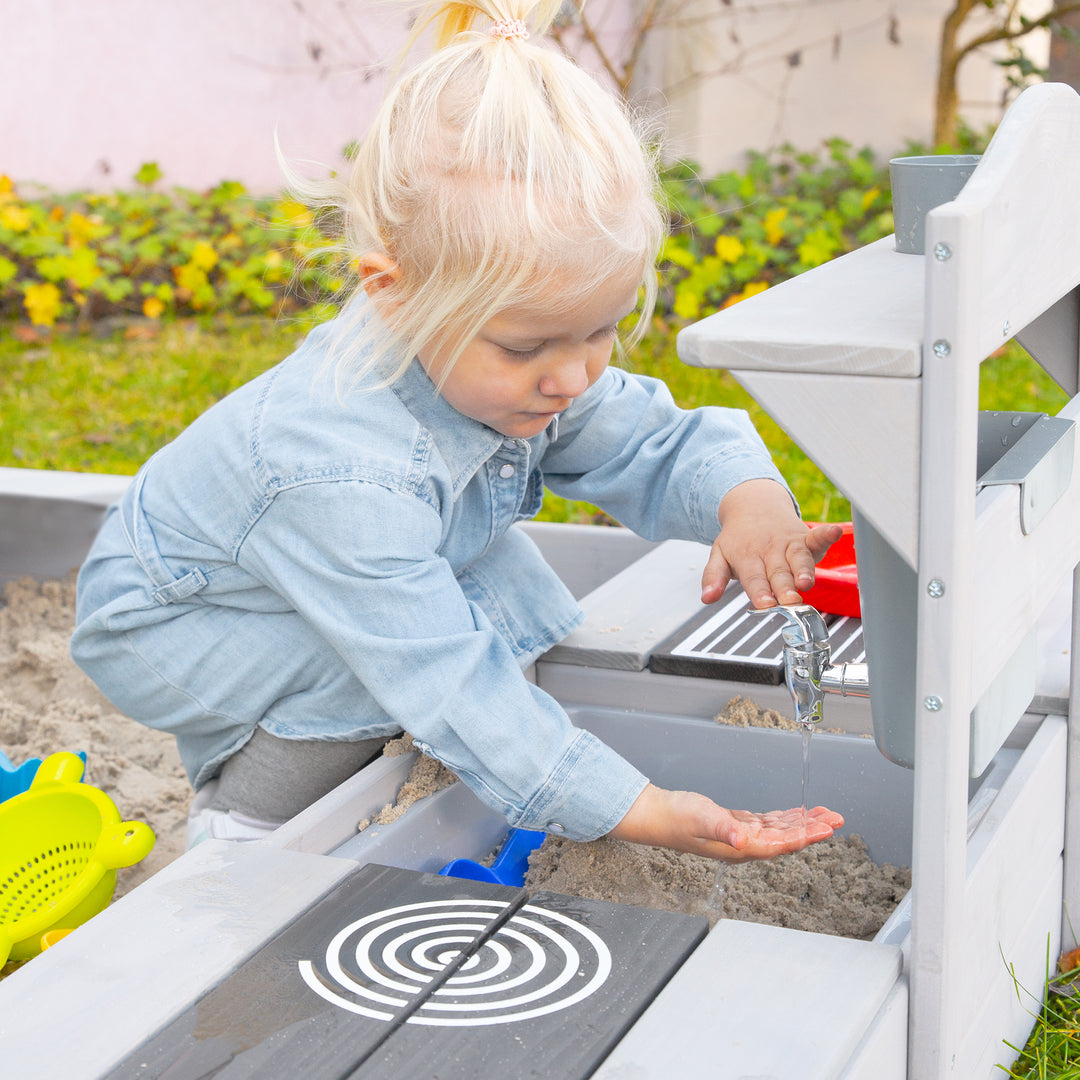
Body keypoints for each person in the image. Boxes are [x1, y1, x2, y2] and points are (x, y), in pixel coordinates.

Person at [70, 0, 844, 859]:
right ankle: (247, 825)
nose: (573, 375)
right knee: (367, 665)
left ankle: (437, 763)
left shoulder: (519, 363)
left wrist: (749, 499)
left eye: (601, 330)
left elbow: (650, 440)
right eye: (528, 345)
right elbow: (445, 678)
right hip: (176, 619)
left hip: (303, 564)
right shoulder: (339, 474)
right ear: (390, 291)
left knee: (494, 592)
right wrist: (633, 806)